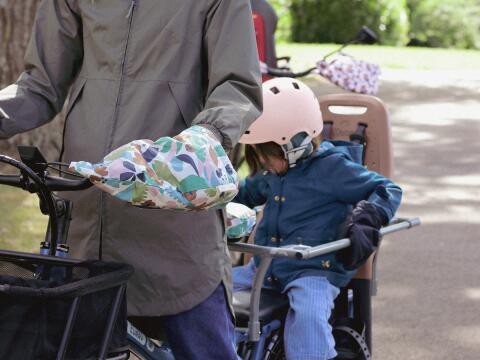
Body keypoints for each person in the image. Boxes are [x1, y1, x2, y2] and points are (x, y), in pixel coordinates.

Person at [0, 1, 262, 358]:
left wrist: (204, 137)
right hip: (86, 224)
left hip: (175, 228)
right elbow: (38, 86)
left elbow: (236, 88)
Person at [232, 77, 402, 360]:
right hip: (265, 267)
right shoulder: (273, 173)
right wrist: (215, 197)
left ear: (293, 145)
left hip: (312, 270)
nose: (262, 163)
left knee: (308, 319)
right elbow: (245, 193)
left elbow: (387, 189)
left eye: (266, 154)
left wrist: (369, 216)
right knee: (207, 291)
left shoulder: (333, 168)